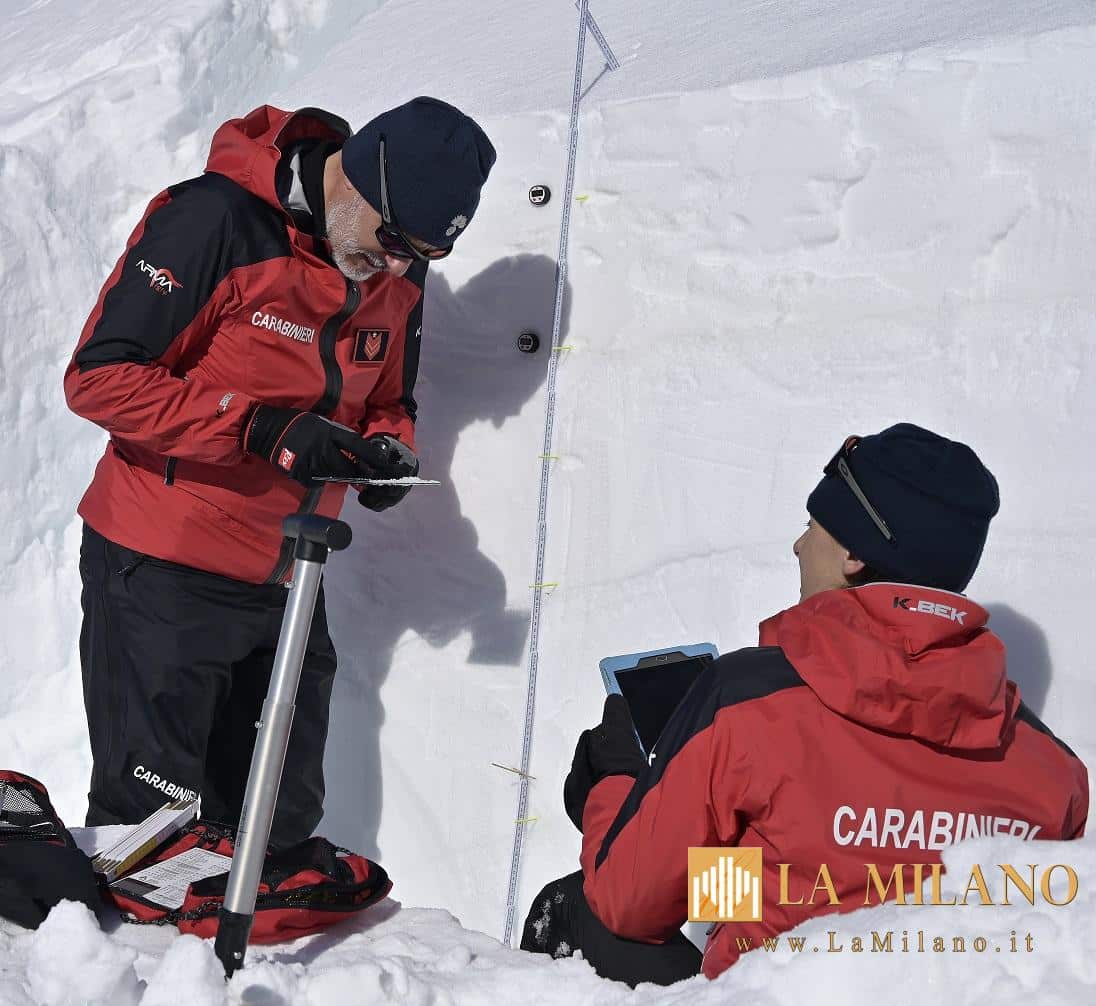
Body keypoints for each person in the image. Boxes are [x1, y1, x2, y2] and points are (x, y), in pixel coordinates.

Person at [63, 98, 495, 847]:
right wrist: (262, 428)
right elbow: (99, 378)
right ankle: (128, 967)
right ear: (357, 177)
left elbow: (388, 397)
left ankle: (252, 966)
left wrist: (386, 454)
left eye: (424, 254)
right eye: (391, 239)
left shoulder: (396, 270)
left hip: (288, 583)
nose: (397, 267)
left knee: (277, 831)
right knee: (150, 839)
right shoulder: (215, 221)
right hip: (160, 570)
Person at [523, 423, 1089, 984]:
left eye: (811, 525)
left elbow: (632, 903)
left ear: (851, 554)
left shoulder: (749, 701)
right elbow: (832, 875)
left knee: (576, 907)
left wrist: (616, 789)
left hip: (775, 994)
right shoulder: (1052, 772)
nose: (799, 545)